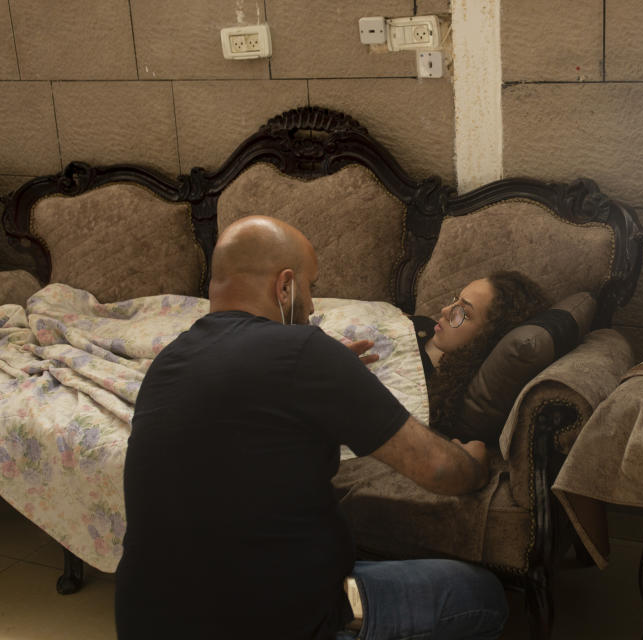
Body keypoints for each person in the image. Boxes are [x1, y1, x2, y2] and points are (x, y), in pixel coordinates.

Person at [115, 216, 509, 640]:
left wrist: (324, 374)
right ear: (284, 286)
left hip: (147, 622)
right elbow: (439, 472)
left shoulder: (168, 362)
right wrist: (474, 462)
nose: (313, 305)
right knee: (483, 596)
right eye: (311, 287)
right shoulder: (306, 352)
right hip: (282, 624)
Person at [411, 271, 550, 444]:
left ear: (487, 337)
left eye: (465, 314)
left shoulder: (425, 386)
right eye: (455, 300)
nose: (445, 310)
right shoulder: (427, 326)